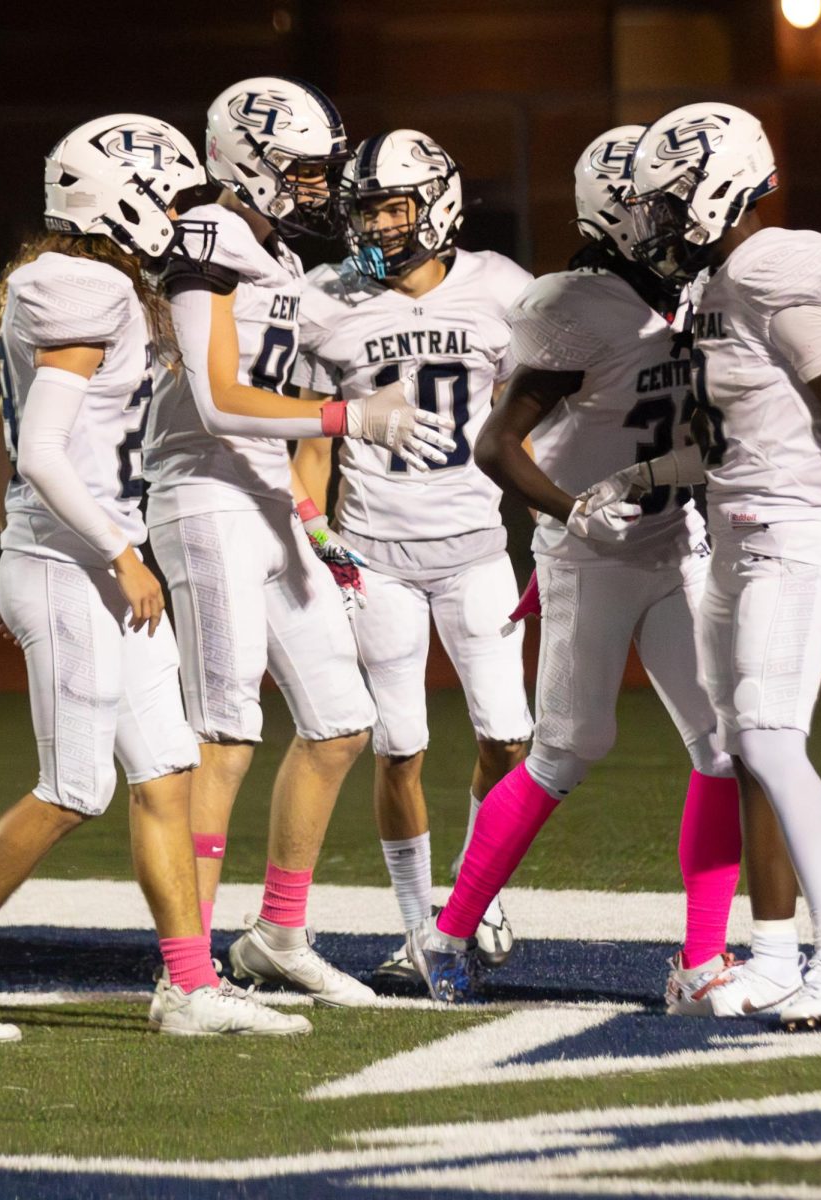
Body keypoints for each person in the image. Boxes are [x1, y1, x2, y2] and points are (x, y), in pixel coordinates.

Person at [0, 113, 311, 1040]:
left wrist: (30, 547)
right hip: (87, 567)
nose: (176, 209)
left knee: (166, 770)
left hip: (78, 561)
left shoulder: (85, 281)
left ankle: (190, 985)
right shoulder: (85, 286)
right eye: (166, 193)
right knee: (74, 788)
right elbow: (38, 447)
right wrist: (99, 555)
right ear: (118, 197)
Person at [587, 101, 821, 1026]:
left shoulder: (779, 262)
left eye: (666, 200)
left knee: (771, 737)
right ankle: (772, 953)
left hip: (793, 530)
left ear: (720, 184)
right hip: (732, 529)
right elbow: (732, 438)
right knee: (741, 750)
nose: (652, 220)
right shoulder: (712, 285)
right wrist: (642, 474)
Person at [406, 126, 745, 1010]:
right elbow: (497, 443)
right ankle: (445, 937)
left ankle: (702, 960)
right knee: (567, 746)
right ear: (614, 211)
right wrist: (570, 511)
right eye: (654, 206)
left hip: (675, 539)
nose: (671, 221)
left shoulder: (695, 290)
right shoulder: (576, 305)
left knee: (725, 744)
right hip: (591, 551)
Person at [143, 81, 454, 1008]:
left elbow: (340, 333)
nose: (320, 188)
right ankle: (189, 974)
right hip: (202, 493)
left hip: (267, 498)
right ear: (248, 159)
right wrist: (353, 414)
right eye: (306, 170)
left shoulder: (272, 251)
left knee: (338, 718)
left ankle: (277, 934)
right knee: (226, 730)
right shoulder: (200, 238)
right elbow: (216, 398)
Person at [290, 130, 535, 983]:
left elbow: (531, 408)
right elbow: (308, 442)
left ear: (438, 199)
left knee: (509, 738)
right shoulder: (328, 295)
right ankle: (418, 929)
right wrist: (319, 540)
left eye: (393, 206)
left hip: (474, 549)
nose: (381, 226)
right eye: (367, 210)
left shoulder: (502, 288)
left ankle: (478, 897)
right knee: (399, 746)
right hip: (375, 555)